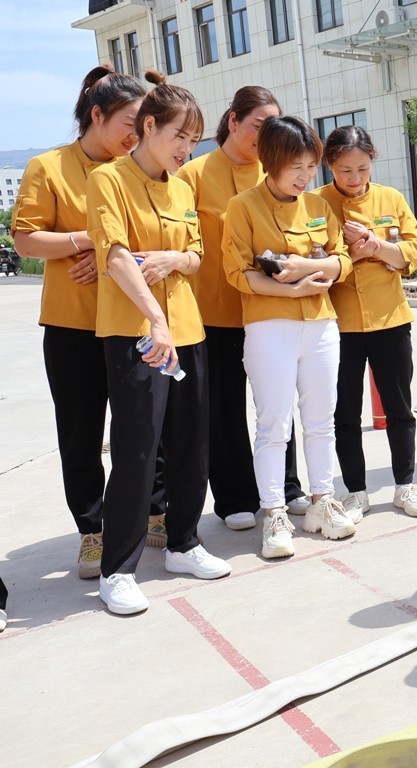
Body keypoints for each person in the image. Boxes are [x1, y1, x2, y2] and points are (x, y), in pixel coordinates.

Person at [12, 66, 171, 581]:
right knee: (80, 432)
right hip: (74, 324)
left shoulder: (142, 170)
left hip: (130, 320)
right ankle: (93, 530)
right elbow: (28, 241)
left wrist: (114, 252)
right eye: (129, 121)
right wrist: (91, 240)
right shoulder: (48, 167)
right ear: (95, 115)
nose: (136, 133)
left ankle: (155, 510)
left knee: (146, 426)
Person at [86, 77, 232, 615]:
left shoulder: (181, 185)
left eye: (193, 141)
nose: (184, 149)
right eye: (178, 136)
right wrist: (156, 321)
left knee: (192, 443)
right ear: (148, 126)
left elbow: (195, 253)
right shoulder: (108, 181)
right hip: (136, 332)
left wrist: (175, 260)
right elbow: (117, 256)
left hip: (188, 329)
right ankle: (117, 569)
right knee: (138, 451)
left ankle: (184, 543)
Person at [177, 86, 310, 533]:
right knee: (225, 409)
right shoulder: (193, 175)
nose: (264, 134)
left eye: (272, 126)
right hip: (213, 312)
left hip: (271, 310)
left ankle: (288, 488)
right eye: (257, 125)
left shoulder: (274, 175)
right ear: (233, 121)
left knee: (277, 405)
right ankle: (234, 497)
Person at [222, 115, 354, 559]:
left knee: (321, 420)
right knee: (273, 424)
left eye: (310, 166)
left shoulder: (319, 206)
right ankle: (275, 512)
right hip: (268, 327)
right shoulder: (242, 206)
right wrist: (289, 286)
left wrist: (313, 270)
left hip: (320, 323)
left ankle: (322, 500)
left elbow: (342, 260)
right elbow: (238, 272)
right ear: (270, 161)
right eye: (296, 166)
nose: (305, 176)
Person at [314, 125, 417, 519]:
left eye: (362, 168)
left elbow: (413, 255)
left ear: (372, 161)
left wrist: (377, 246)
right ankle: (356, 492)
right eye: (345, 169)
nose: (355, 178)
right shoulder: (314, 204)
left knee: (399, 408)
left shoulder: (391, 198)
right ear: (329, 164)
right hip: (337, 324)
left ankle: (405, 487)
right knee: (344, 412)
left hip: (390, 319)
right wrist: (350, 254)